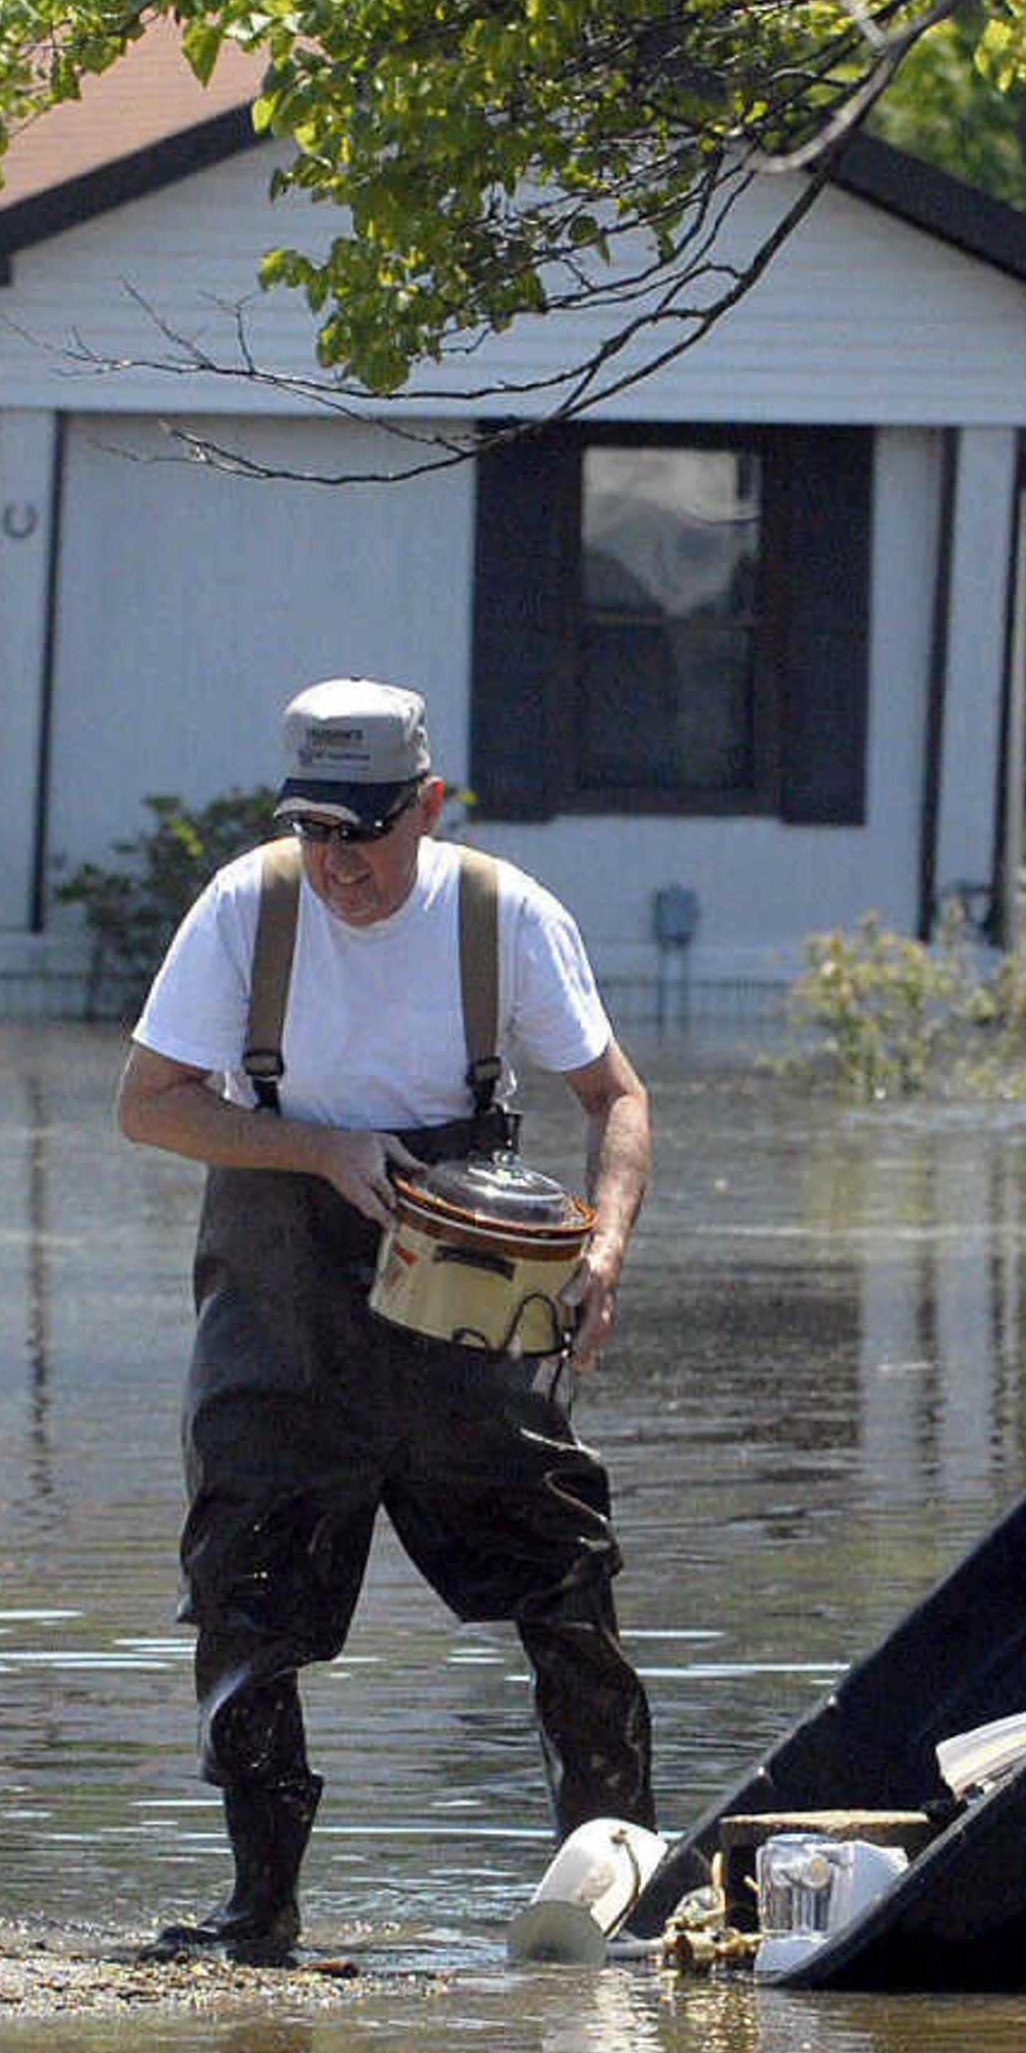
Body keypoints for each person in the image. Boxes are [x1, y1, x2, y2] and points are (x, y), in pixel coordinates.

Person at [116, 677, 659, 1966]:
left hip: (467, 1307)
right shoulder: (245, 909)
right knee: (243, 1591)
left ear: (426, 805)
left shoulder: (504, 916)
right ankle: (262, 1911)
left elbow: (617, 1097)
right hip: (279, 1304)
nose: (338, 865)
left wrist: (606, 1249)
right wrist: (315, 1148)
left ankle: (624, 1888)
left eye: (364, 830)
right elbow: (149, 1103)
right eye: (315, 830)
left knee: (569, 1581)